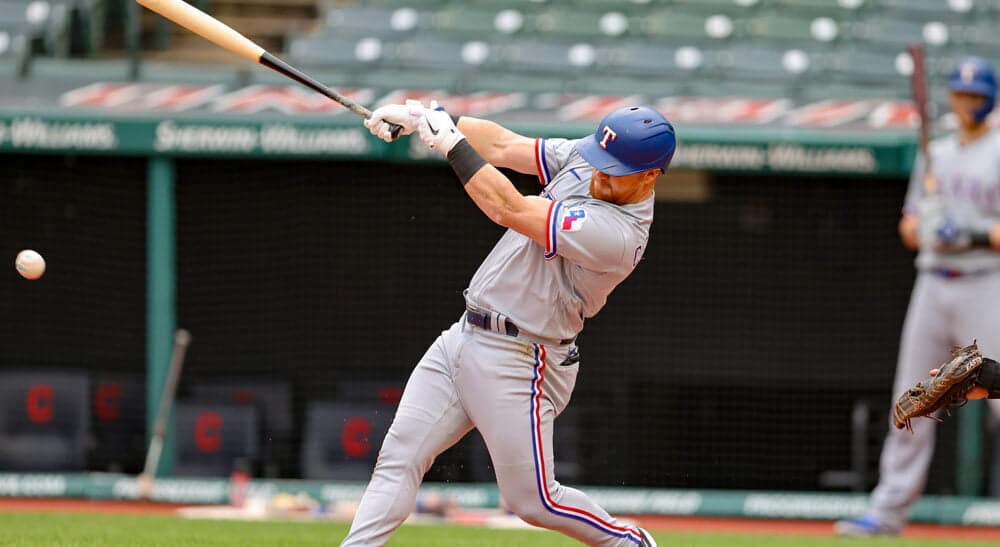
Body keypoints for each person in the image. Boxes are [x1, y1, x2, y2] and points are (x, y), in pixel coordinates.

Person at [340, 101, 676, 547]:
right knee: (398, 457)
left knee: (534, 502)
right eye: (600, 158)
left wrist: (451, 144)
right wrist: (427, 116)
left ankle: (629, 543)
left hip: (524, 358)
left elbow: (509, 209)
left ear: (650, 175)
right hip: (463, 335)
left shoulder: (619, 235)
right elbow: (502, 144)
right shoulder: (590, 157)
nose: (600, 172)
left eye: (614, 170)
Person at [836, 57, 1000, 537]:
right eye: (960, 93)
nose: (965, 101)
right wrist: (925, 226)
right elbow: (908, 226)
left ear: (989, 98)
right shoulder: (937, 152)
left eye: (974, 94)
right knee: (913, 397)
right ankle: (887, 512)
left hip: (986, 282)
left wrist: (973, 231)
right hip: (932, 281)